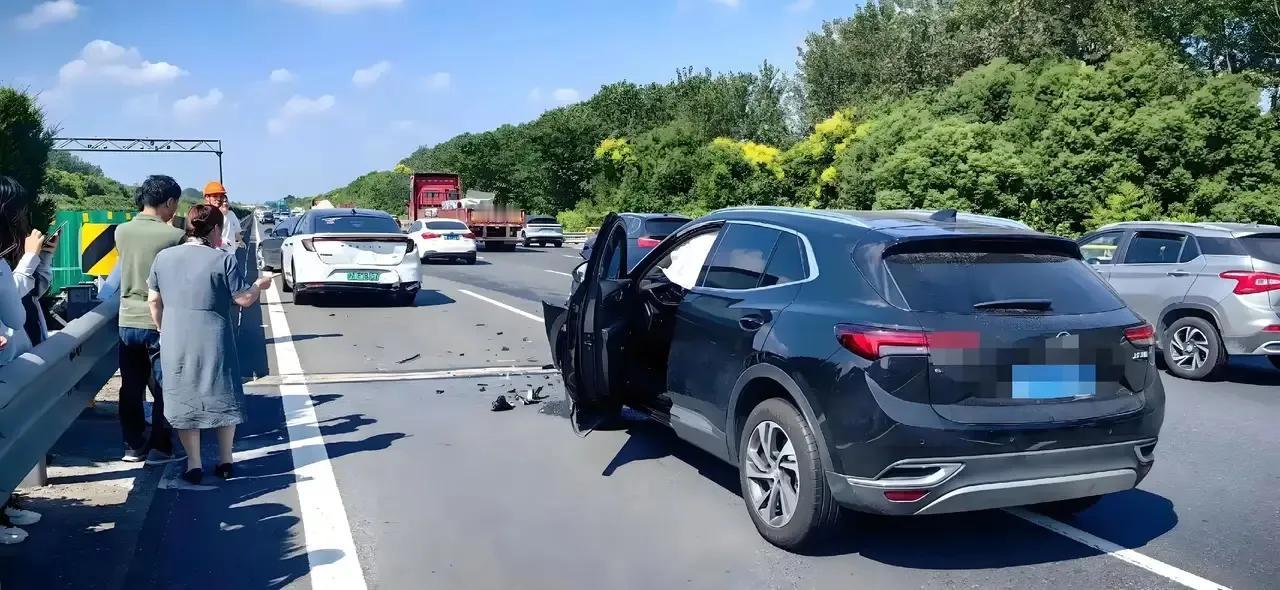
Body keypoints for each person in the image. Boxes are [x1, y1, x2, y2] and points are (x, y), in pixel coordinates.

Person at [147, 204, 272, 484]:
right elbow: (243, 299)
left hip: (175, 335)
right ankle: (225, 460)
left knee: (184, 394)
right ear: (215, 229)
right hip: (213, 336)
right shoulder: (222, 260)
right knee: (221, 391)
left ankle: (194, 463)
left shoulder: (163, 258)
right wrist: (259, 286)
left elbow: (153, 300)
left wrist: (162, 328)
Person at [114, 175, 185, 464]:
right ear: (168, 201)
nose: (175, 211)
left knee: (130, 386)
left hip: (126, 320)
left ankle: (132, 445)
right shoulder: (174, 237)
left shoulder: (121, 231)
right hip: (158, 320)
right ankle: (160, 446)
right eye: (175, 205)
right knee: (164, 386)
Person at [203, 181, 241, 256]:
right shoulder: (203, 214)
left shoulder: (219, 213)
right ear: (207, 197)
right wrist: (221, 242)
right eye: (215, 196)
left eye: (221, 196)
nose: (219, 199)